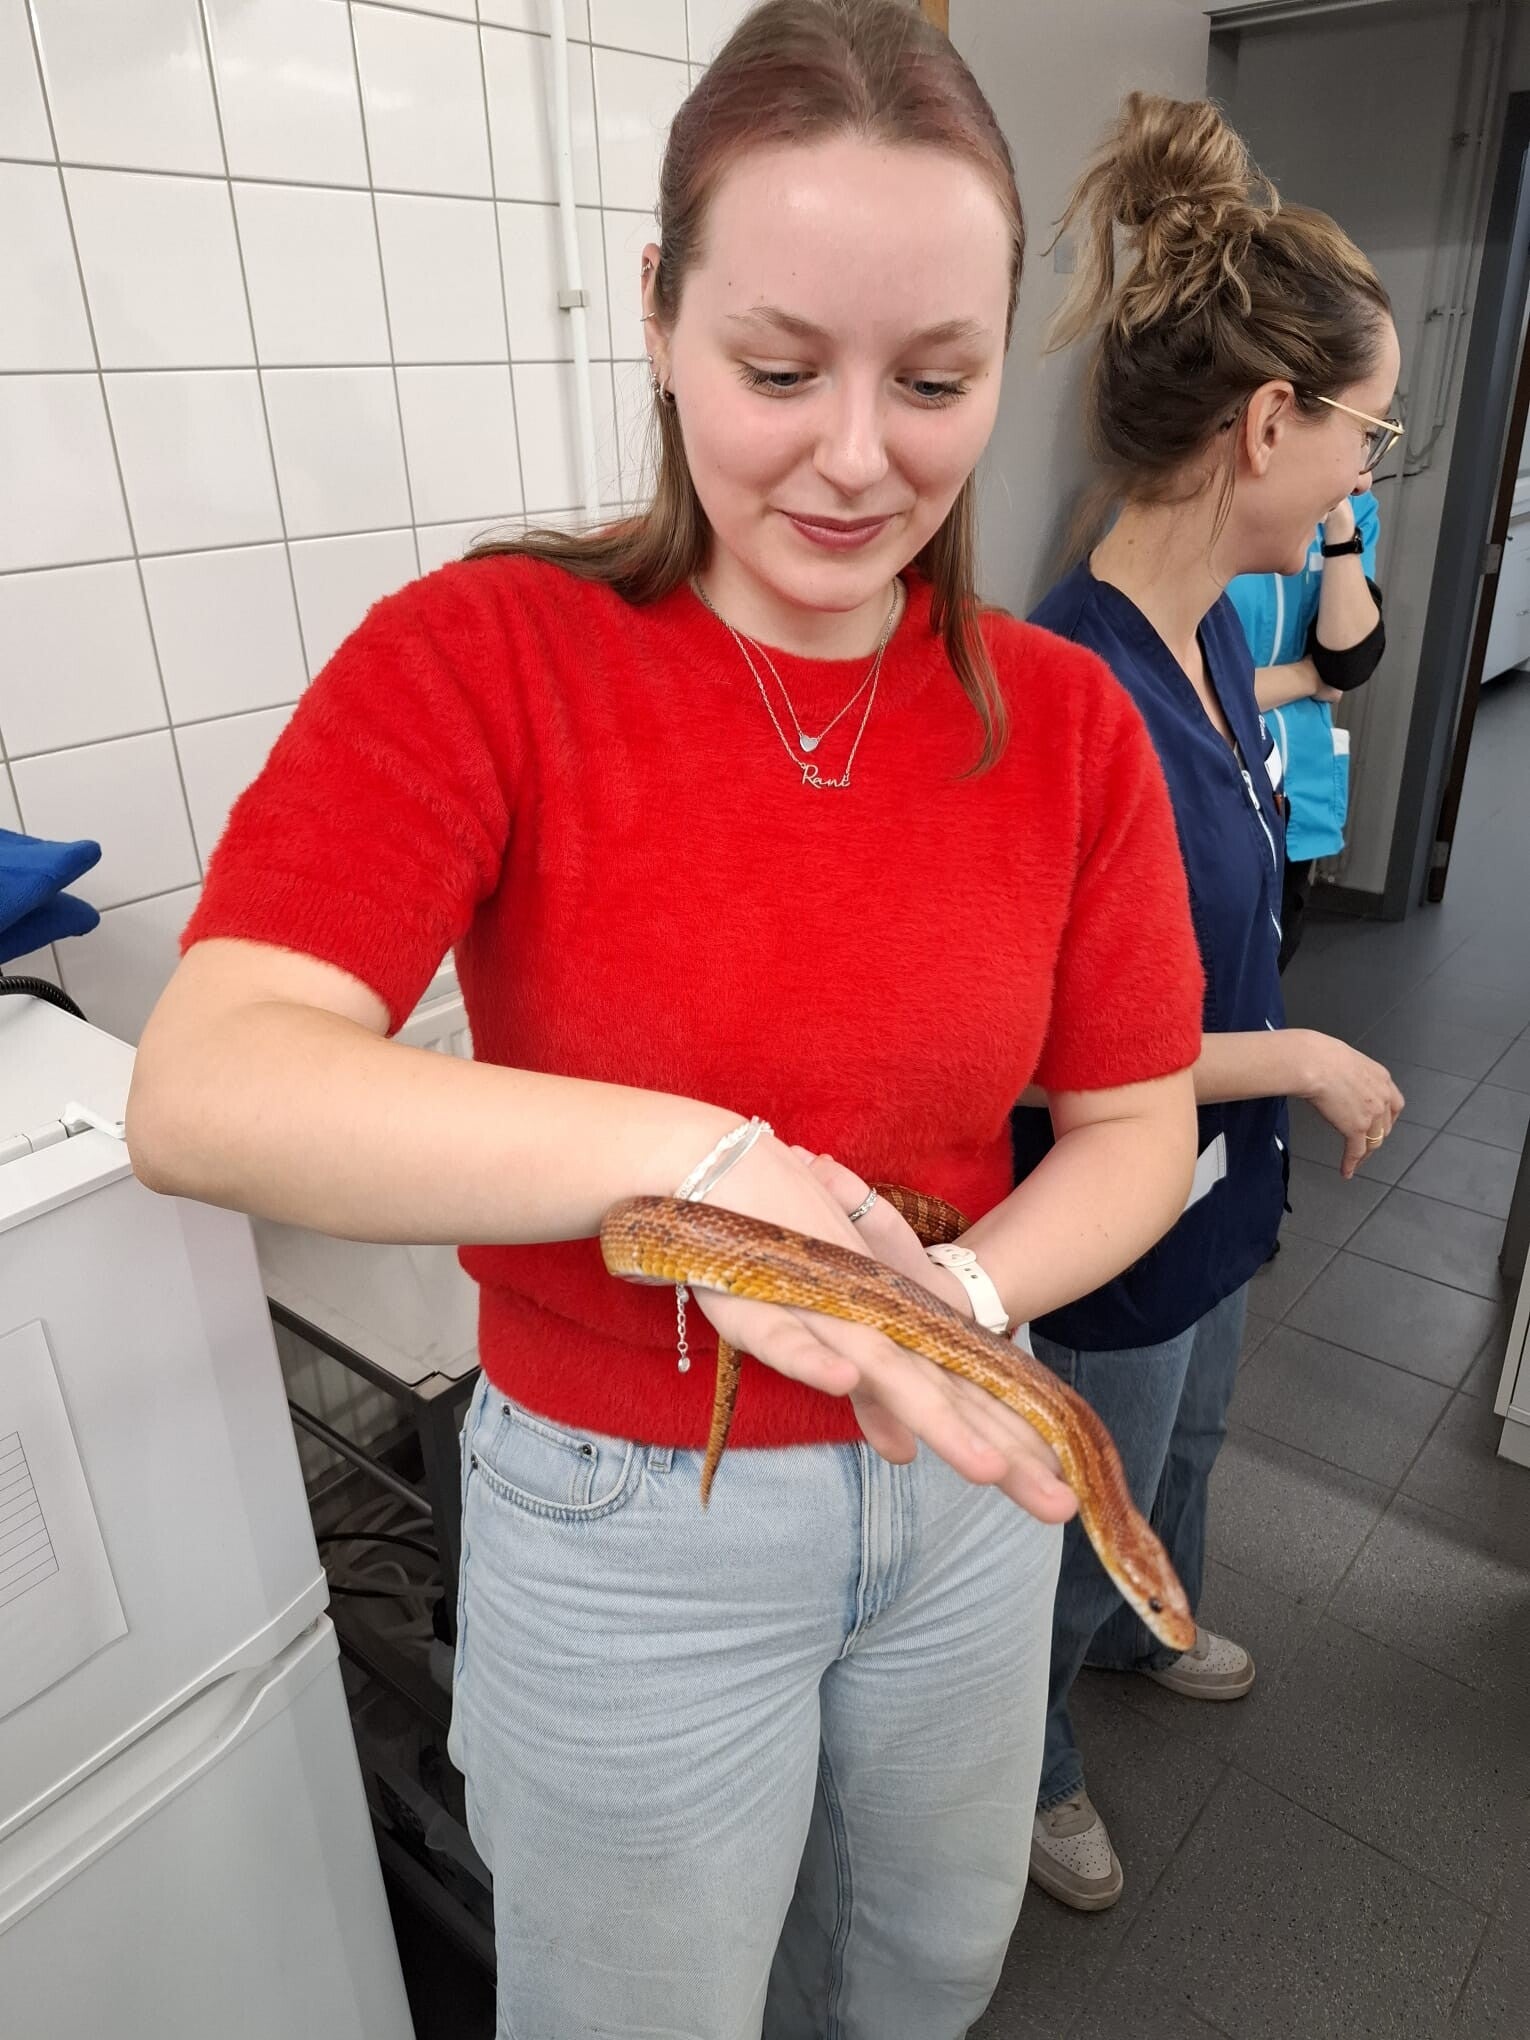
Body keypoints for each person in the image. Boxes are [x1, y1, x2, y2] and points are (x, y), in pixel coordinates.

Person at [125, 6, 1207, 2033]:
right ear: (657, 315)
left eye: (938, 381)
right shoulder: (487, 659)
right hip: (624, 1508)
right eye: (780, 370)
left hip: (969, 1476)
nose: (859, 455)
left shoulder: (1065, 724)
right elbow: (206, 1085)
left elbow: (1140, 1124)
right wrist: (702, 1159)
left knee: (928, 1963)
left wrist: (943, 1309)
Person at [1016, 91, 1407, 1915]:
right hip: (1121, 1205)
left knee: (1186, 1445)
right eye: (1361, 435)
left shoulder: (1213, 637)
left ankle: (1137, 1628)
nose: (1360, 476)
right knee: (1083, 1497)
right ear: (1266, 424)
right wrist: (1304, 1053)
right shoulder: (1069, 688)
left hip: (1216, 1171)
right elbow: (1058, 1052)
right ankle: (1028, 1761)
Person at [1227, 487, 1386, 967]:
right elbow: (1187, 684)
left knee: (1271, 963)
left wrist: (1340, 527)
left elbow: (1346, 665)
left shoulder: (1356, 513)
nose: (1364, 473)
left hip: (1298, 793)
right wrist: (1308, 676)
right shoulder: (1213, 494)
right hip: (1212, 782)